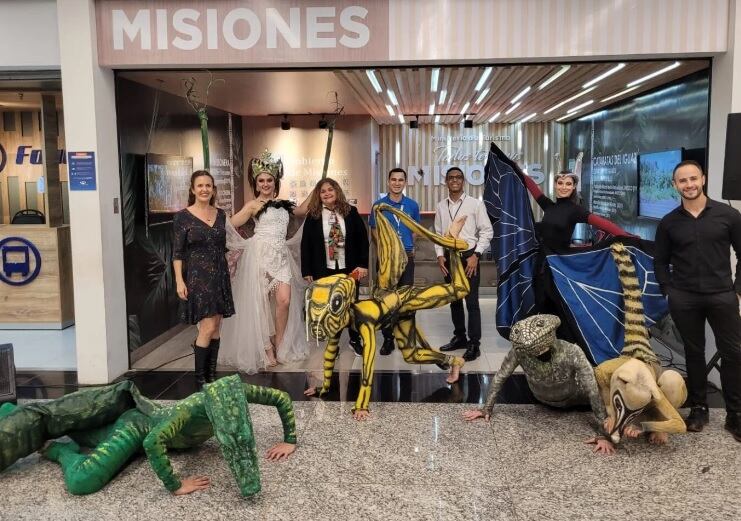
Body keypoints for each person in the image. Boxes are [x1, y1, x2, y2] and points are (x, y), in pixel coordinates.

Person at [654, 160, 741, 442]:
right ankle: (699, 409)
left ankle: (735, 414)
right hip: (684, 297)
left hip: (722, 296)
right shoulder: (668, 223)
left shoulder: (729, 215)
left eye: (693, 178)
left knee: (734, 354)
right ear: (675, 185)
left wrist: (737, 290)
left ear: (703, 179)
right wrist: (669, 290)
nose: (689, 184)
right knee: (693, 353)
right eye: (683, 181)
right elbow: (660, 262)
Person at [219, 150, 309, 374]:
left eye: (269, 180)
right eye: (261, 180)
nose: (266, 184)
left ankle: (279, 344)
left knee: (284, 301)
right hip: (259, 255)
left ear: (275, 181)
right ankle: (266, 349)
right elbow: (230, 224)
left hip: (280, 257)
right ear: (256, 183)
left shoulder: (284, 204)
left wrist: (319, 188)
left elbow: (303, 210)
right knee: (259, 304)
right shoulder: (253, 205)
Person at [520, 168, 630, 318]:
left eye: (568, 184)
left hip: (559, 265)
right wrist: (516, 168)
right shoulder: (549, 206)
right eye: (560, 183)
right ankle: (544, 339)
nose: (563, 187)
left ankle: (560, 339)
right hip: (541, 263)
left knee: (556, 305)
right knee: (540, 301)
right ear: (555, 185)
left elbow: (604, 223)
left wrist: (627, 236)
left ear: (573, 187)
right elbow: (532, 187)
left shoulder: (575, 211)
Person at [173, 170, 235, 386]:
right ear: (192, 189)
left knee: (216, 326)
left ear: (213, 189)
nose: (204, 189)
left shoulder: (221, 214)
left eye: (208, 185)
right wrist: (180, 281)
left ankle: (211, 376)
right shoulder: (182, 217)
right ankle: (201, 381)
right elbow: (178, 253)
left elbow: (224, 246)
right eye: (200, 186)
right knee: (207, 327)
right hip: (198, 278)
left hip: (219, 276)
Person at [300, 177, 369, 355]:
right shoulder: (313, 216)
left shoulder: (350, 212)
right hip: (324, 270)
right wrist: (307, 270)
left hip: (350, 269)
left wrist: (363, 264)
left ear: (337, 191)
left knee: (352, 304)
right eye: (323, 191)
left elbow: (363, 240)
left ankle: (355, 339)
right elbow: (305, 244)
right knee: (329, 306)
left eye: (330, 189)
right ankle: (333, 345)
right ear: (318, 195)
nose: (327, 193)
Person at [434, 167, 494, 361]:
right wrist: (439, 256)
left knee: (472, 302)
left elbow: (487, 231)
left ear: (463, 181)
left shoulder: (475, 204)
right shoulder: (441, 206)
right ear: (446, 181)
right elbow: (437, 234)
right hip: (449, 257)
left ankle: (474, 344)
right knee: (454, 300)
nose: (454, 180)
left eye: (458, 177)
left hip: (469, 257)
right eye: (451, 178)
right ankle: (459, 337)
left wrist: (476, 255)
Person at [369, 168, 421, 355]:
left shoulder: (412, 205)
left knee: (406, 298)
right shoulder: (378, 205)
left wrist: (406, 248)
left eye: (400, 180)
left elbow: (415, 229)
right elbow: (374, 231)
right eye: (394, 179)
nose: (397, 183)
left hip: (406, 256)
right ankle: (388, 339)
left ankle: (407, 337)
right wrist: (385, 250)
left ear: (405, 182)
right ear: (388, 182)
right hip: (386, 260)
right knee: (386, 299)